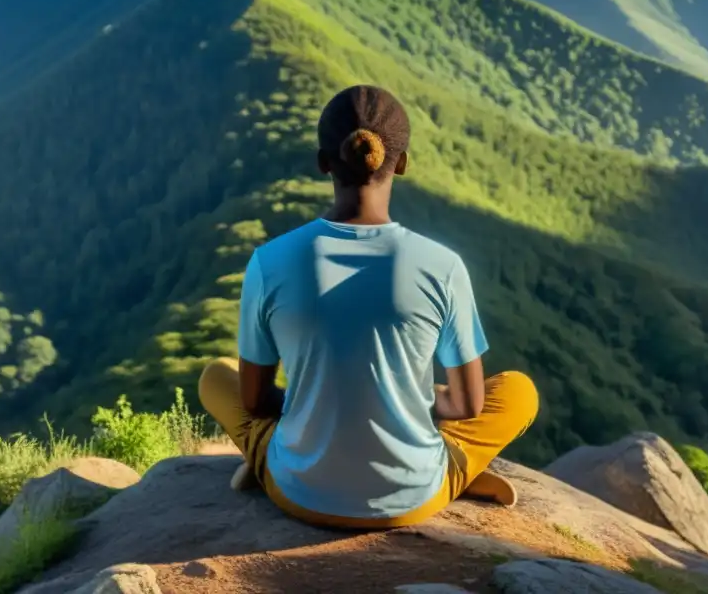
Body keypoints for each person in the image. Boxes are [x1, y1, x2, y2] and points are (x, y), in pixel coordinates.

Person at [198, 84, 539, 529]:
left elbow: (254, 399)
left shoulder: (269, 262)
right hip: (414, 498)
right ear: (401, 163)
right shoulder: (443, 266)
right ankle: (461, 467)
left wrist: (313, 403)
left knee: (216, 377)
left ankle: (264, 461)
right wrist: (407, 402)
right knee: (518, 392)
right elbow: (469, 404)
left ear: (324, 163)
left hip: (298, 493)